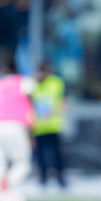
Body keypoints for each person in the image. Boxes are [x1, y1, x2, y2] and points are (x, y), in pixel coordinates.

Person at [0, 57, 35, 201]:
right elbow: (31, 103)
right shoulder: (24, 82)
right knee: (23, 164)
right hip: (15, 125)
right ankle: (6, 185)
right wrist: (31, 133)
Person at [31, 62, 67, 190]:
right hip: (38, 126)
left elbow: (63, 100)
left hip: (53, 125)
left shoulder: (56, 83)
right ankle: (43, 179)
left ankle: (61, 179)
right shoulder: (32, 84)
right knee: (40, 155)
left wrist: (58, 111)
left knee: (57, 154)